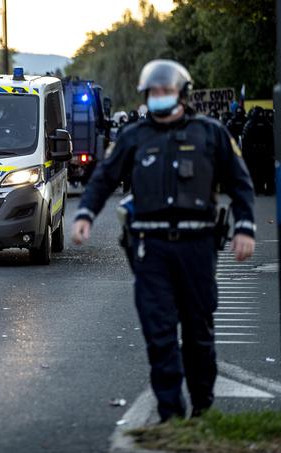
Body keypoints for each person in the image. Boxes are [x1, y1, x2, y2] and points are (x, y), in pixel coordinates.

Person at [71, 59, 256, 422]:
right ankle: (170, 415)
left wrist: (246, 226)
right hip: (150, 248)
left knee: (198, 329)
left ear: (181, 94)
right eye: (153, 92)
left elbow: (240, 183)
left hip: (197, 245)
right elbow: (103, 179)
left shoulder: (211, 133)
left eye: (165, 91)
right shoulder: (134, 137)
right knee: (159, 332)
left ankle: (203, 407)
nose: (159, 97)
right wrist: (84, 215)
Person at [242, 107, 275, 195]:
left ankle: (263, 189)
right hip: (260, 152)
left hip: (259, 152)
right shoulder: (268, 124)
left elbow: (245, 141)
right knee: (261, 172)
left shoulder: (250, 124)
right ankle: (264, 189)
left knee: (260, 171)